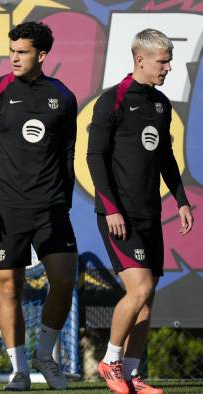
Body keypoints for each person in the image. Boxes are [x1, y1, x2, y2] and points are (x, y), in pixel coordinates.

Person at [0, 21, 78, 391]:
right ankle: (18, 370)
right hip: (7, 209)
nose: (14, 57)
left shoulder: (62, 96)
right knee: (8, 287)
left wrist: (63, 199)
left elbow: (67, 153)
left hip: (51, 208)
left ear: (42, 55)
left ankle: (44, 354)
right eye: (12, 51)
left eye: (23, 52)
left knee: (64, 279)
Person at [87, 29, 193, 394]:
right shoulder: (112, 100)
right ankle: (110, 360)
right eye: (162, 61)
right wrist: (112, 209)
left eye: (170, 61)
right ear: (140, 59)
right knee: (139, 288)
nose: (167, 68)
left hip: (149, 214)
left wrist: (180, 200)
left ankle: (131, 374)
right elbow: (94, 157)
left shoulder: (161, 105)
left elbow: (165, 157)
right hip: (119, 216)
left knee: (147, 299)